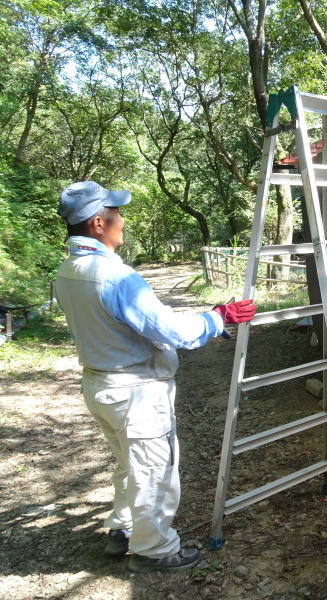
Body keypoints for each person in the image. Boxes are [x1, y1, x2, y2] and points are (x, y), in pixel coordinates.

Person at [54, 181, 256, 573]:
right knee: (153, 472)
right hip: (136, 394)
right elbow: (171, 332)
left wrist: (207, 320)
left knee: (128, 463)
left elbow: (132, 324)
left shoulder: (68, 271)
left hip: (99, 386)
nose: (123, 221)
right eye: (117, 214)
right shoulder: (115, 276)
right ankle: (155, 550)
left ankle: (121, 527)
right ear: (99, 223)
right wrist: (218, 317)